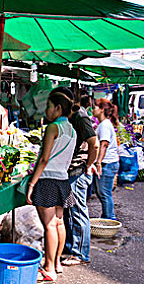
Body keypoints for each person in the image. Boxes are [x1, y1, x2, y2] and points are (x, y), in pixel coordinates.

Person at [27, 91, 77, 282]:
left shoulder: (53, 128)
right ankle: (56, 263)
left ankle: (49, 269)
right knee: (58, 223)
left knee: (49, 225)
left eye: (48, 106)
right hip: (63, 181)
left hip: (47, 181)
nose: (46, 111)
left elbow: (44, 158)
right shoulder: (71, 129)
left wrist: (32, 184)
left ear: (57, 108)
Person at [50, 88, 99, 267]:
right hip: (71, 171)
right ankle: (71, 249)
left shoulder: (80, 117)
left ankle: (80, 253)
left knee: (78, 212)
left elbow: (95, 144)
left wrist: (89, 164)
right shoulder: (72, 117)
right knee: (70, 212)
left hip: (79, 171)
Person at [92, 98, 120, 220]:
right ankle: (106, 217)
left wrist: (98, 162)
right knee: (102, 193)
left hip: (107, 163)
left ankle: (109, 219)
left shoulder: (104, 125)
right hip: (108, 162)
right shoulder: (103, 124)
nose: (92, 110)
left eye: (95, 107)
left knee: (104, 193)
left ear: (102, 109)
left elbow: (104, 144)